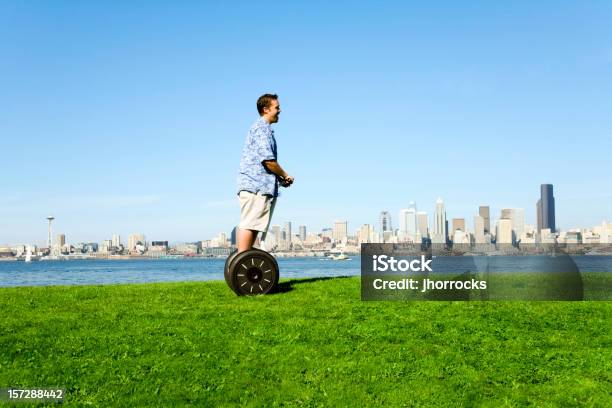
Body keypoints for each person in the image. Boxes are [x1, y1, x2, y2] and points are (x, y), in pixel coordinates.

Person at [236, 94, 294, 253]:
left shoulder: (263, 129)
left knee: (253, 224)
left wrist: (280, 180)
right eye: (277, 107)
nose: (280, 110)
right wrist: (285, 175)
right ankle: (242, 260)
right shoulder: (261, 128)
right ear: (266, 109)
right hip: (256, 187)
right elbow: (267, 160)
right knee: (249, 224)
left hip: (258, 186)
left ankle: (243, 262)